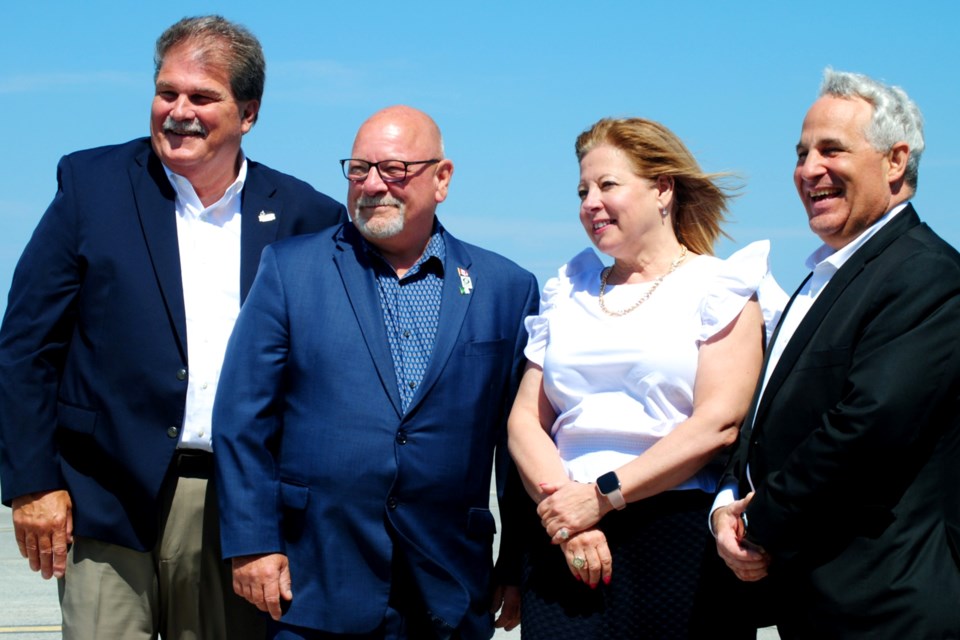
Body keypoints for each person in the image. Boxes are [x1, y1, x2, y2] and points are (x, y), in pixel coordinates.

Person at [0, 15, 345, 640]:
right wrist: (33, 485)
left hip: (238, 511)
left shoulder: (307, 216)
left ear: (248, 113)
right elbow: (26, 344)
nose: (178, 111)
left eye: (202, 97)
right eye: (167, 92)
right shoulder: (90, 185)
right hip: (103, 501)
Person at [212, 105, 538, 640]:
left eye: (394, 170)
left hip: (449, 586)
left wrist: (516, 562)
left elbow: (520, 437)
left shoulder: (506, 287)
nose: (372, 185)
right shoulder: (291, 270)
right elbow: (242, 416)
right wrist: (252, 541)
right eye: (359, 170)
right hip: (314, 581)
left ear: (442, 178)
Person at [506, 117, 785, 638]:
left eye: (607, 185)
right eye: (583, 190)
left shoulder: (720, 285)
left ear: (662, 189)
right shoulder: (567, 288)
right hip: (566, 538)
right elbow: (526, 417)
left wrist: (603, 496)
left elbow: (719, 422)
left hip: (675, 539)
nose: (590, 202)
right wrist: (566, 511)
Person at [712, 69, 960, 638]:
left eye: (831, 150)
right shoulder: (820, 278)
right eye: (801, 153)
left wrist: (756, 524)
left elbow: (866, 430)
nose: (808, 170)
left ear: (895, 161)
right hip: (814, 607)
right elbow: (764, 416)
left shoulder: (927, 276)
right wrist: (725, 501)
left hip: (888, 609)